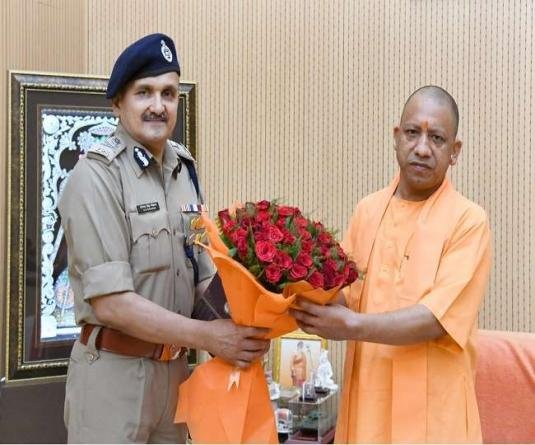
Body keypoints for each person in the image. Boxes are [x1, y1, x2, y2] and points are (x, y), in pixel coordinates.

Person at [59, 33, 270, 444]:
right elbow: (112, 303)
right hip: (113, 378)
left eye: (168, 94)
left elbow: (201, 275)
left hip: (175, 377)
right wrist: (210, 337)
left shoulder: (183, 169)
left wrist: (247, 324)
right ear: (118, 103)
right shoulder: (96, 177)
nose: (158, 105)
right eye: (144, 93)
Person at [291, 86, 491, 443]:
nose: (422, 148)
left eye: (437, 138)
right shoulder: (367, 210)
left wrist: (350, 325)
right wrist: (289, 277)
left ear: (455, 151)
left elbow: (436, 319)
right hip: (369, 411)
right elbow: (345, 295)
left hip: (434, 423)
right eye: (413, 133)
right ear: (397, 137)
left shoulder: (469, 221)